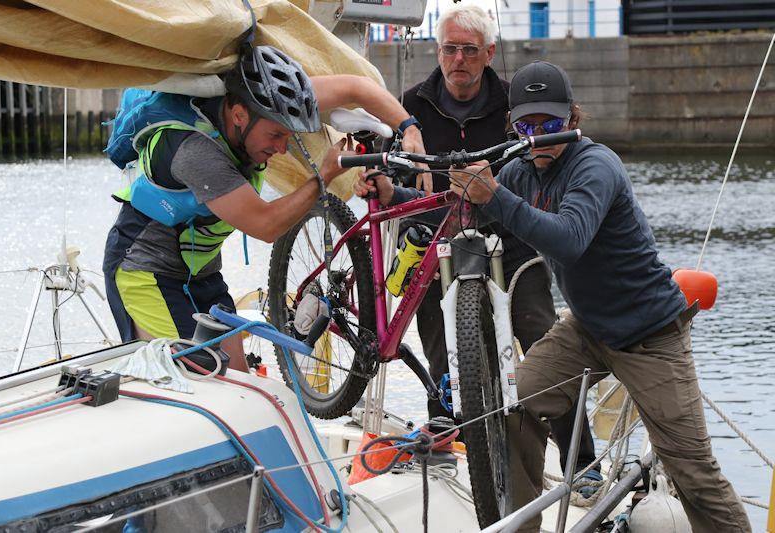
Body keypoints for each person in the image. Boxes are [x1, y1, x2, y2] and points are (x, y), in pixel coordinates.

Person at [442, 60, 750, 532]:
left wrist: (494, 197)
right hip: (588, 328)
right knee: (517, 407)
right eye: (528, 125)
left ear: (573, 118)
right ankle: (521, 528)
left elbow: (568, 238)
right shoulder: (523, 171)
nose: (540, 135)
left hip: (651, 335)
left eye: (551, 124)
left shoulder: (596, 165)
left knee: (694, 474)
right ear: (514, 126)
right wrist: (393, 191)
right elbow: (463, 210)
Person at [103, 44, 426, 372]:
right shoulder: (194, 151)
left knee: (240, 383)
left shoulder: (275, 102)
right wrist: (324, 174)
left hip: (201, 272)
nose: (282, 147)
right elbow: (266, 225)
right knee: (187, 381)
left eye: (288, 135)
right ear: (239, 115)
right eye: (275, 134)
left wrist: (409, 126)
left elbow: (356, 87)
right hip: (144, 270)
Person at [397, 3, 599, 480]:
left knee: (544, 340)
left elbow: (540, 165)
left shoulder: (515, 103)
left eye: (470, 50)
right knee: (441, 347)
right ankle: (454, 447)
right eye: (450, 49)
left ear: (489, 53)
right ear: (438, 50)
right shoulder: (411, 104)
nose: (458, 59)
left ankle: (582, 462)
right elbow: (398, 168)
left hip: (511, 242)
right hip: (437, 243)